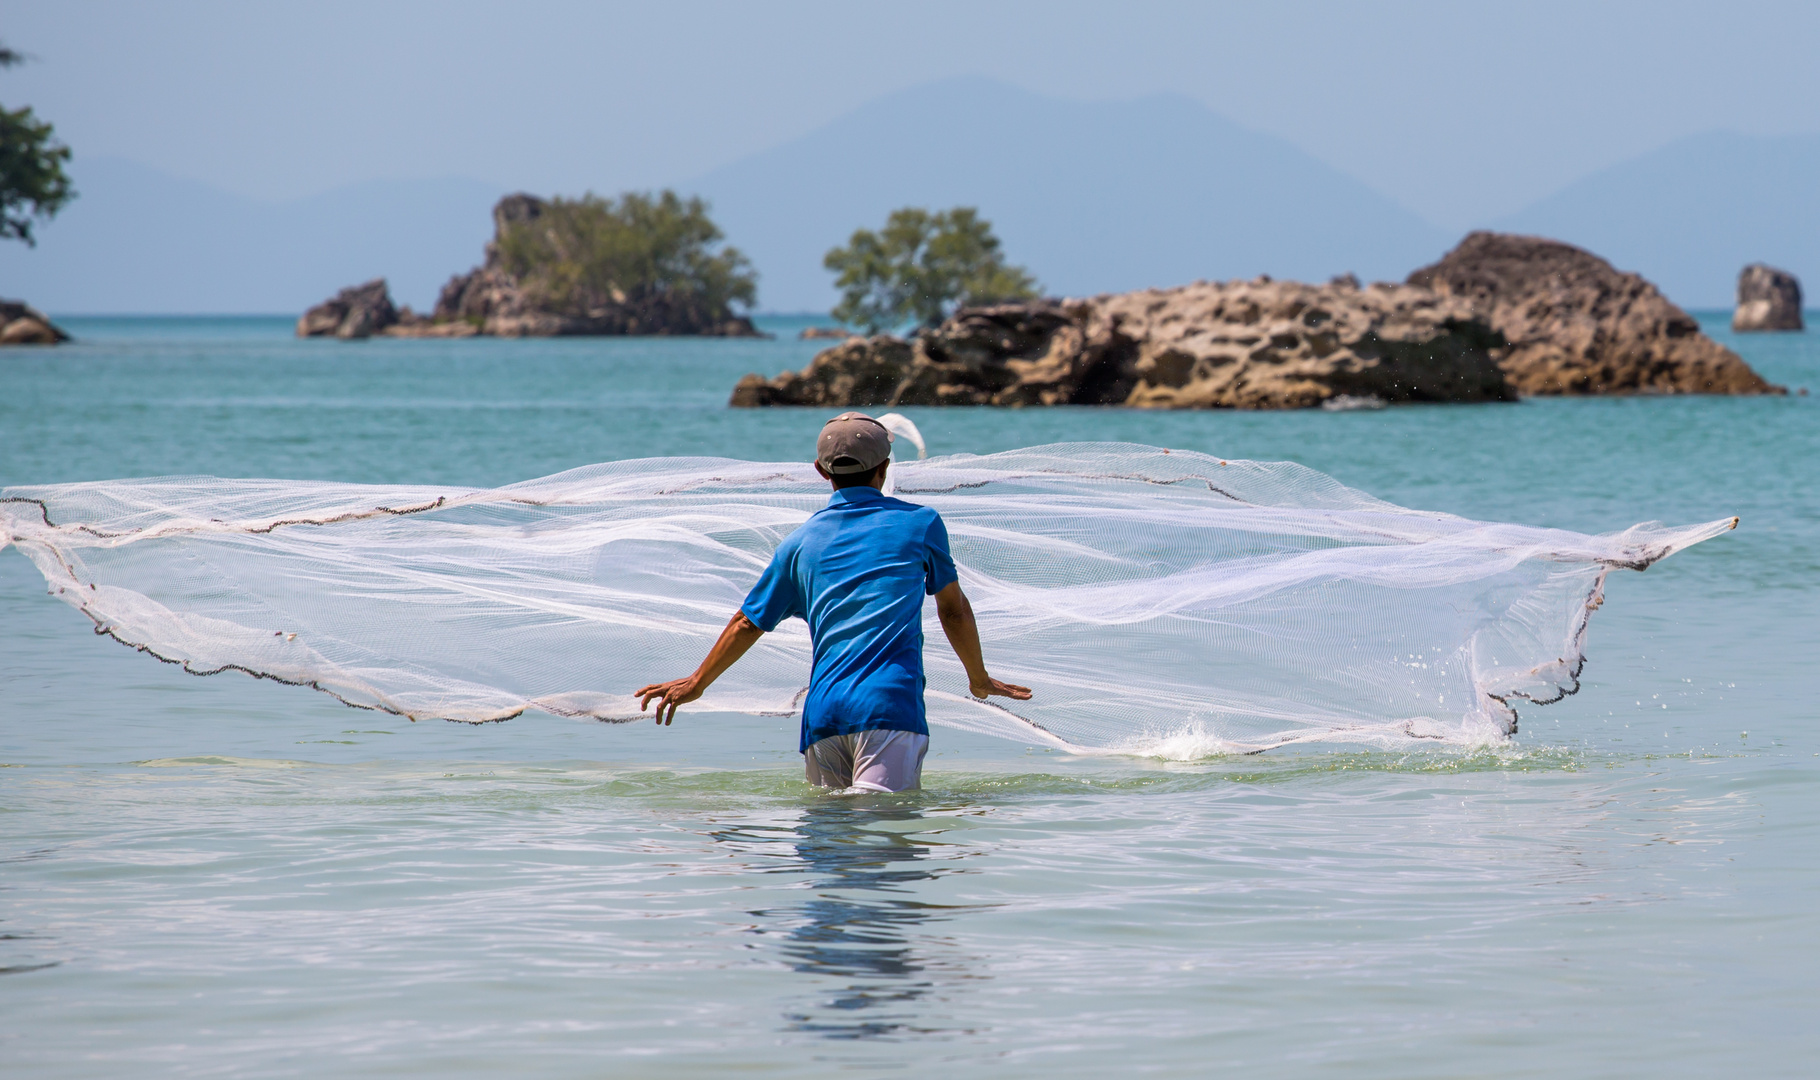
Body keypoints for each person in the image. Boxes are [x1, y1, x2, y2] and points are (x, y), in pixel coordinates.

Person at [636, 412, 1031, 793]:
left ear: (821, 471)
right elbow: (953, 609)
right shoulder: (921, 523)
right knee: (884, 842)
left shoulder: (799, 543)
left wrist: (696, 683)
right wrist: (978, 679)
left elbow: (747, 622)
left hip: (823, 715)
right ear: (886, 468)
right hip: (888, 706)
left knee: (831, 845)